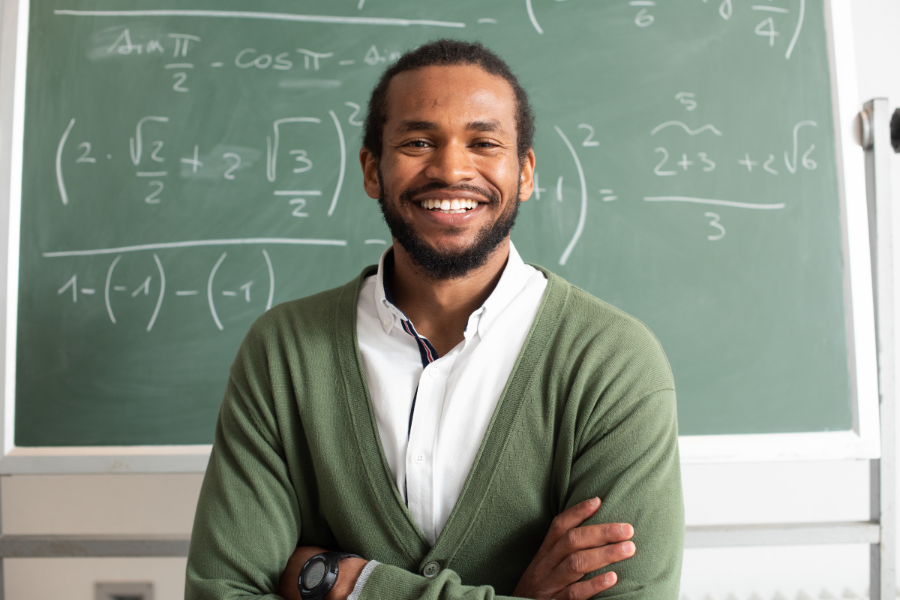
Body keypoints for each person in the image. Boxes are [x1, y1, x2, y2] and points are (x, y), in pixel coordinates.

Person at [185, 39, 684, 600]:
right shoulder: (283, 352)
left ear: (524, 173)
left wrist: (351, 584)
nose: (451, 168)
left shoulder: (613, 362)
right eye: (419, 141)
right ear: (373, 171)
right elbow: (221, 592)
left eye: (483, 142)